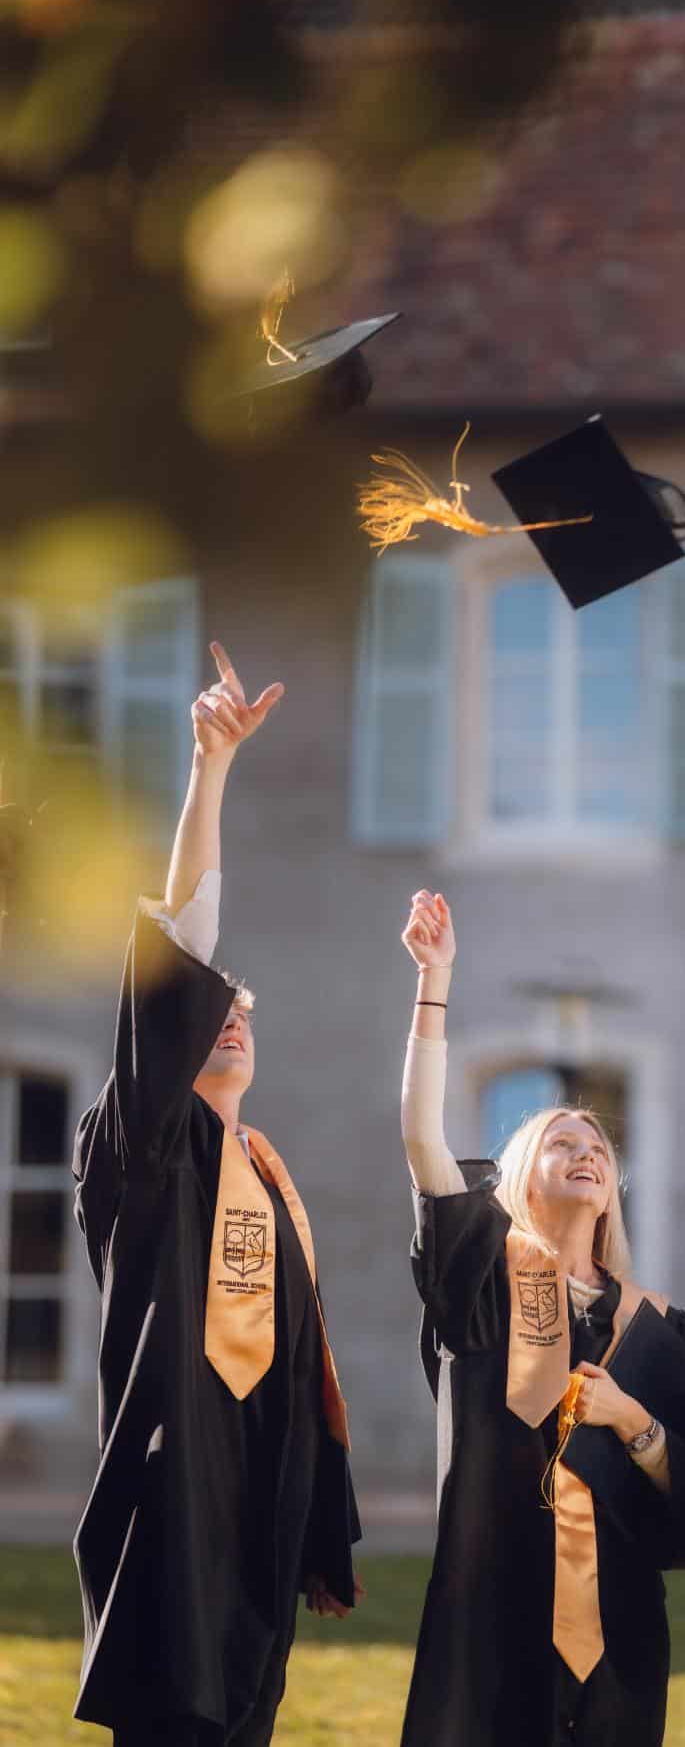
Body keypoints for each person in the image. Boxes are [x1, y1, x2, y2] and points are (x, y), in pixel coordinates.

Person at [72, 643, 362, 1746]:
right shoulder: (142, 1145)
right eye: (211, 1008)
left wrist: (316, 1523)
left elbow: (301, 1367)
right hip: (172, 1493)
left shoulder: (270, 1177)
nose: (229, 1012)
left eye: (246, 1007)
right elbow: (184, 952)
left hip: (257, 1506)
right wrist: (213, 773)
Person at [399, 889, 685, 1747]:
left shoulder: (660, 1332)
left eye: (598, 1148)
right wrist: (435, 985)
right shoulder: (482, 1287)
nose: (584, 1153)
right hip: (499, 1613)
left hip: (616, 1635)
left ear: (613, 1186)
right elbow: (424, 1146)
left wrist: (637, 1423)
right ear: (517, 1176)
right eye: (560, 1142)